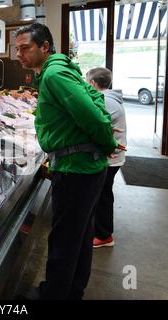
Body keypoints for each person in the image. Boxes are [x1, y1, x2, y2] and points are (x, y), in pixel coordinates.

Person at [15, 23, 125, 300]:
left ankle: (53, 295)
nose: (19, 54)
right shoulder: (60, 69)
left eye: (25, 48)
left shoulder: (53, 74)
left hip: (76, 169)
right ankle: (73, 291)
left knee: (64, 239)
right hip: (84, 167)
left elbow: (90, 112)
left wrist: (107, 142)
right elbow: (95, 100)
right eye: (17, 49)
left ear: (44, 47)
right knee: (80, 235)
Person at [86, 67, 127, 248]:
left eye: (88, 82)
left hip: (110, 158)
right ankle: (101, 230)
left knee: (102, 195)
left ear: (94, 83)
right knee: (103, 193)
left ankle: (104, 235)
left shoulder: (104, 100)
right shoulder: (111, 98)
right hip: (113, 156)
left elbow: (97, 129)